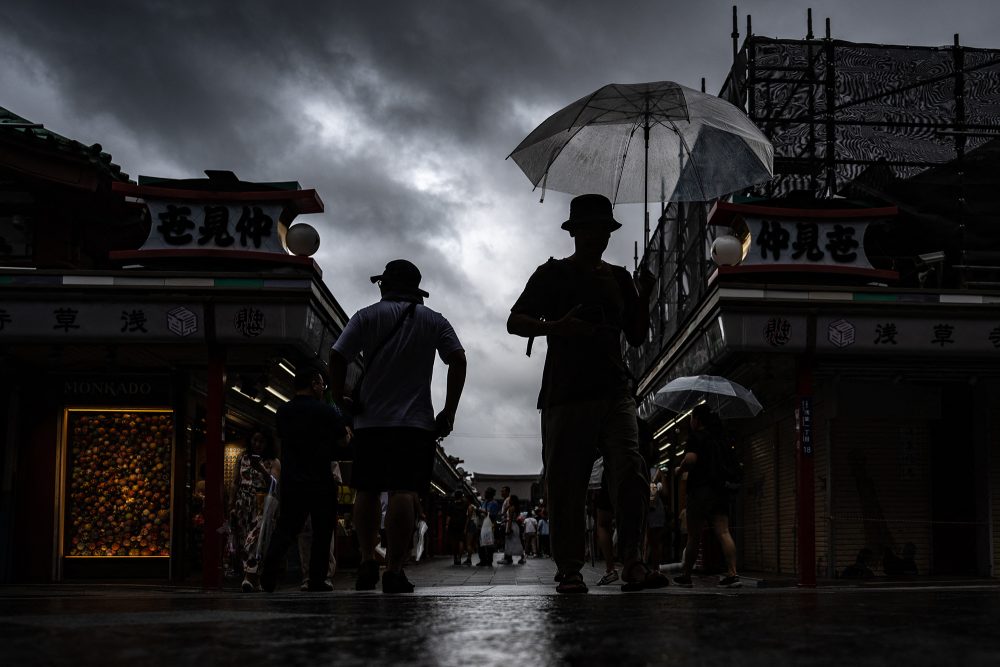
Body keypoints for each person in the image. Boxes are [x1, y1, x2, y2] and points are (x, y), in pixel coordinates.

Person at [507, 193, 664, 594]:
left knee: (630, 468)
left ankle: (632, 561)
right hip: (566, 391)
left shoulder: (619, 278)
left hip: (614, 389)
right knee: (566, 482)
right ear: (575, 232)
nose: (600, 237)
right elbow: (515, 321)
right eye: (591, 230)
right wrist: (557, 327)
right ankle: (571, 568)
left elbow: (638, 335)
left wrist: (644, 293)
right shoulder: (552, 274)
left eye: (606, 231)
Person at [329, 259, 467, 594]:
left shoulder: (366, 316)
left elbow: (337, 356)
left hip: (369, 422)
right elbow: (458, 359)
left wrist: (339, 398)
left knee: (367, 490)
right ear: (417, 289)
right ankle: (393, 570)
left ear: (383, 286)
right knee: (403, 491)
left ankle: (365, 560)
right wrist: (449, 411)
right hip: (415, 423)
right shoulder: (435, 320)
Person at [261, 366, 350, 593]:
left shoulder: (283, 411)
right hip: (320, 479)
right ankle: (317, 579)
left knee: (286, 529)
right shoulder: (327, 411)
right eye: (321, 384)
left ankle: (268, 575)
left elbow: (282, 440)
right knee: (322, 532)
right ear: (313, 384)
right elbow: (343, 440)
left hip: (293, 480)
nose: (323, 388)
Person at [673, 404, 741, 588]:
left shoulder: (696, 437)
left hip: (700, 491)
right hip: (720, 490)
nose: (690, 421)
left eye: (691, 418)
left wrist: (679, 470)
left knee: (694, 536)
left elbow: (691, 459)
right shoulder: (720, 438)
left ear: (697, 420)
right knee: (724, 531)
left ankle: (686, 576)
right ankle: (733, 573)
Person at [229, 430, 280, 592]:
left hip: (261, 502)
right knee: (244, 539)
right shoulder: (242, 458)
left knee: (255, 539)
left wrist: (261, 469)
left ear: (267, 444)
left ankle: (248, 576)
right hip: (243, 501)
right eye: (255, 440)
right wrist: (231, 503)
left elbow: (274, 484)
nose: (257, 444)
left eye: (261, 441)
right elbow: (235, 482)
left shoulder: (273, 462)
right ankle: (255, 581)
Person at [446, 490, 469, 565]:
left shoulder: (451, 504)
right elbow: (467, 516)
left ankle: (455, 557)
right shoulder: (465, 505)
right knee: (461, 541)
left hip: (453, 524)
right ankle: (459, 558)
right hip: (462, 525)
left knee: (454, 541)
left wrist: (447, 524)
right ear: (461, 496)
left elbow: (449, 516)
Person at [503, 495, 525, 565]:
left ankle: (512, 558)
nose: (509, 500)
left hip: (511, 525)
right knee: (516, 541)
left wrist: (509, 529)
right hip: (515, 526)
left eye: (510, 499)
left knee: (510, 542)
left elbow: (510, 519)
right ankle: (520, 557)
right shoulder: (515, 507)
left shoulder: (511, 508)